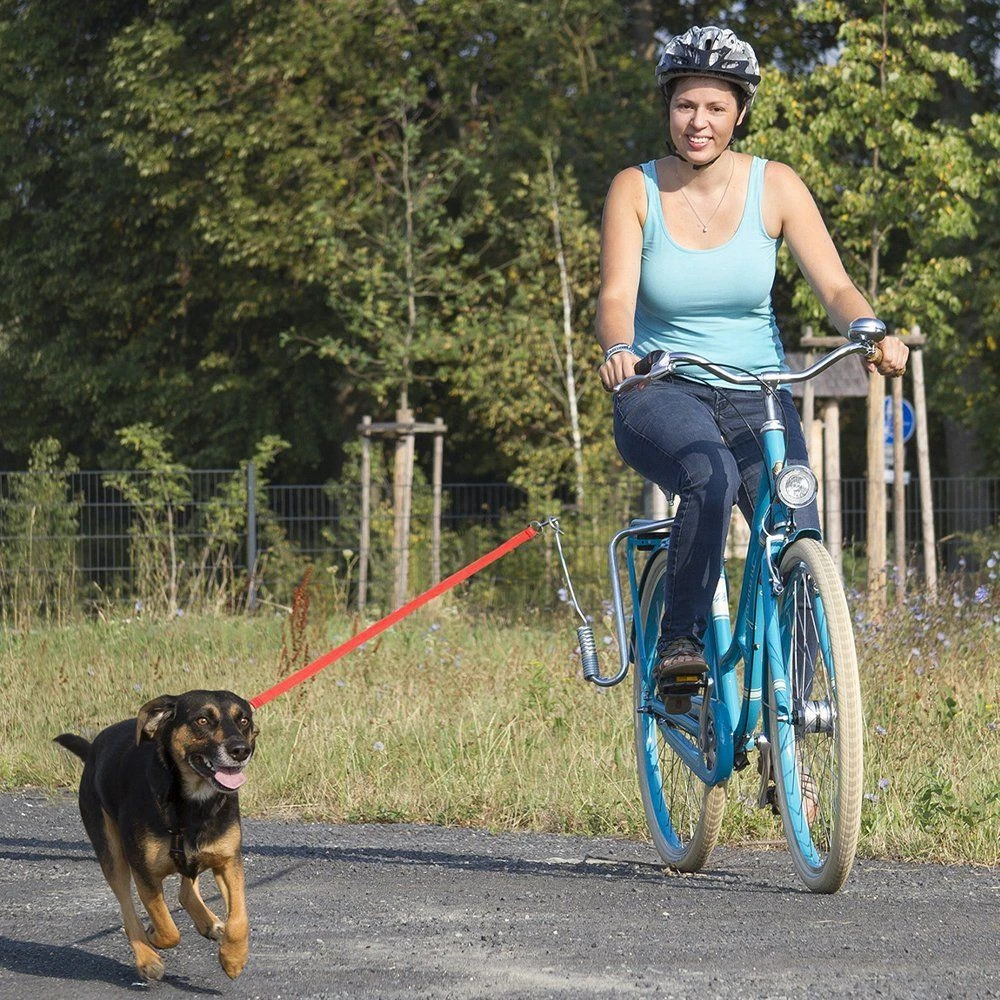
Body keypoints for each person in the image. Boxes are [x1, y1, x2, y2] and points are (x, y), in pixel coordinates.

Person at [595, 25, 908, 710]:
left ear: (740, 111)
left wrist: (869, 329)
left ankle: (792, 712)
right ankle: (681, 646)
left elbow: (834, 287)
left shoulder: (777, 186)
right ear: (667, 109)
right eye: (684, 106)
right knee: (709, 475)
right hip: (661, 386)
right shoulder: (636, 189)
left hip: (757, 393)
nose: (697, 122)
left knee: (795, 522)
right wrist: (620, 349)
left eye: (713, 107)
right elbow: (616, 297)